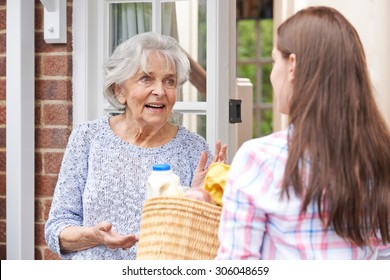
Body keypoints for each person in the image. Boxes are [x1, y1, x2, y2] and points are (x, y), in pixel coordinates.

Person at [216, 6, 390, 259]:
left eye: (275, 60)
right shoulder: (380, 158)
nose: (273, 75)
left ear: (293, 65)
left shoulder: (260, 159)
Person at [45, 32, 227, 260]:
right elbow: (57, 229)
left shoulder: (193, 148)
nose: (160, 91)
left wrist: (202, 199)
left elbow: (211, 238)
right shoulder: (88, 138)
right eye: (146, 79)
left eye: (169, 81)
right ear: (119, 91)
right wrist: (95, 236)